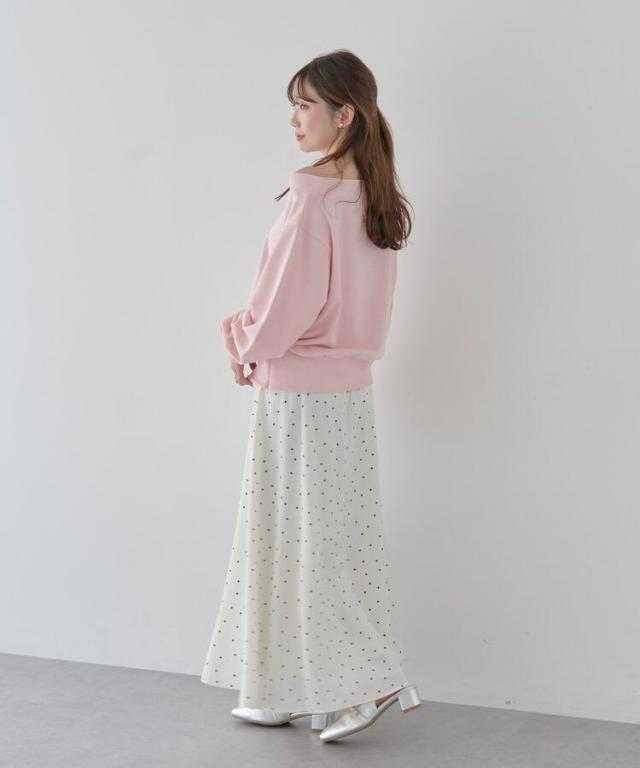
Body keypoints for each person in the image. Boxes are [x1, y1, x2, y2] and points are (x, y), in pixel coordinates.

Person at [200, 49, 421, 743]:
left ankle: (372, 680)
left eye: (305, 106)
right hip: (348, 395)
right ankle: (286, 685)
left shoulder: (313, 195)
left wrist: (242, 341)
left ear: (344, 113)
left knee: (300, 541)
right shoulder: (372, 192)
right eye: (293, 106)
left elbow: (285, 307)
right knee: (328, 538)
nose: (295, 120)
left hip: (298, 395)